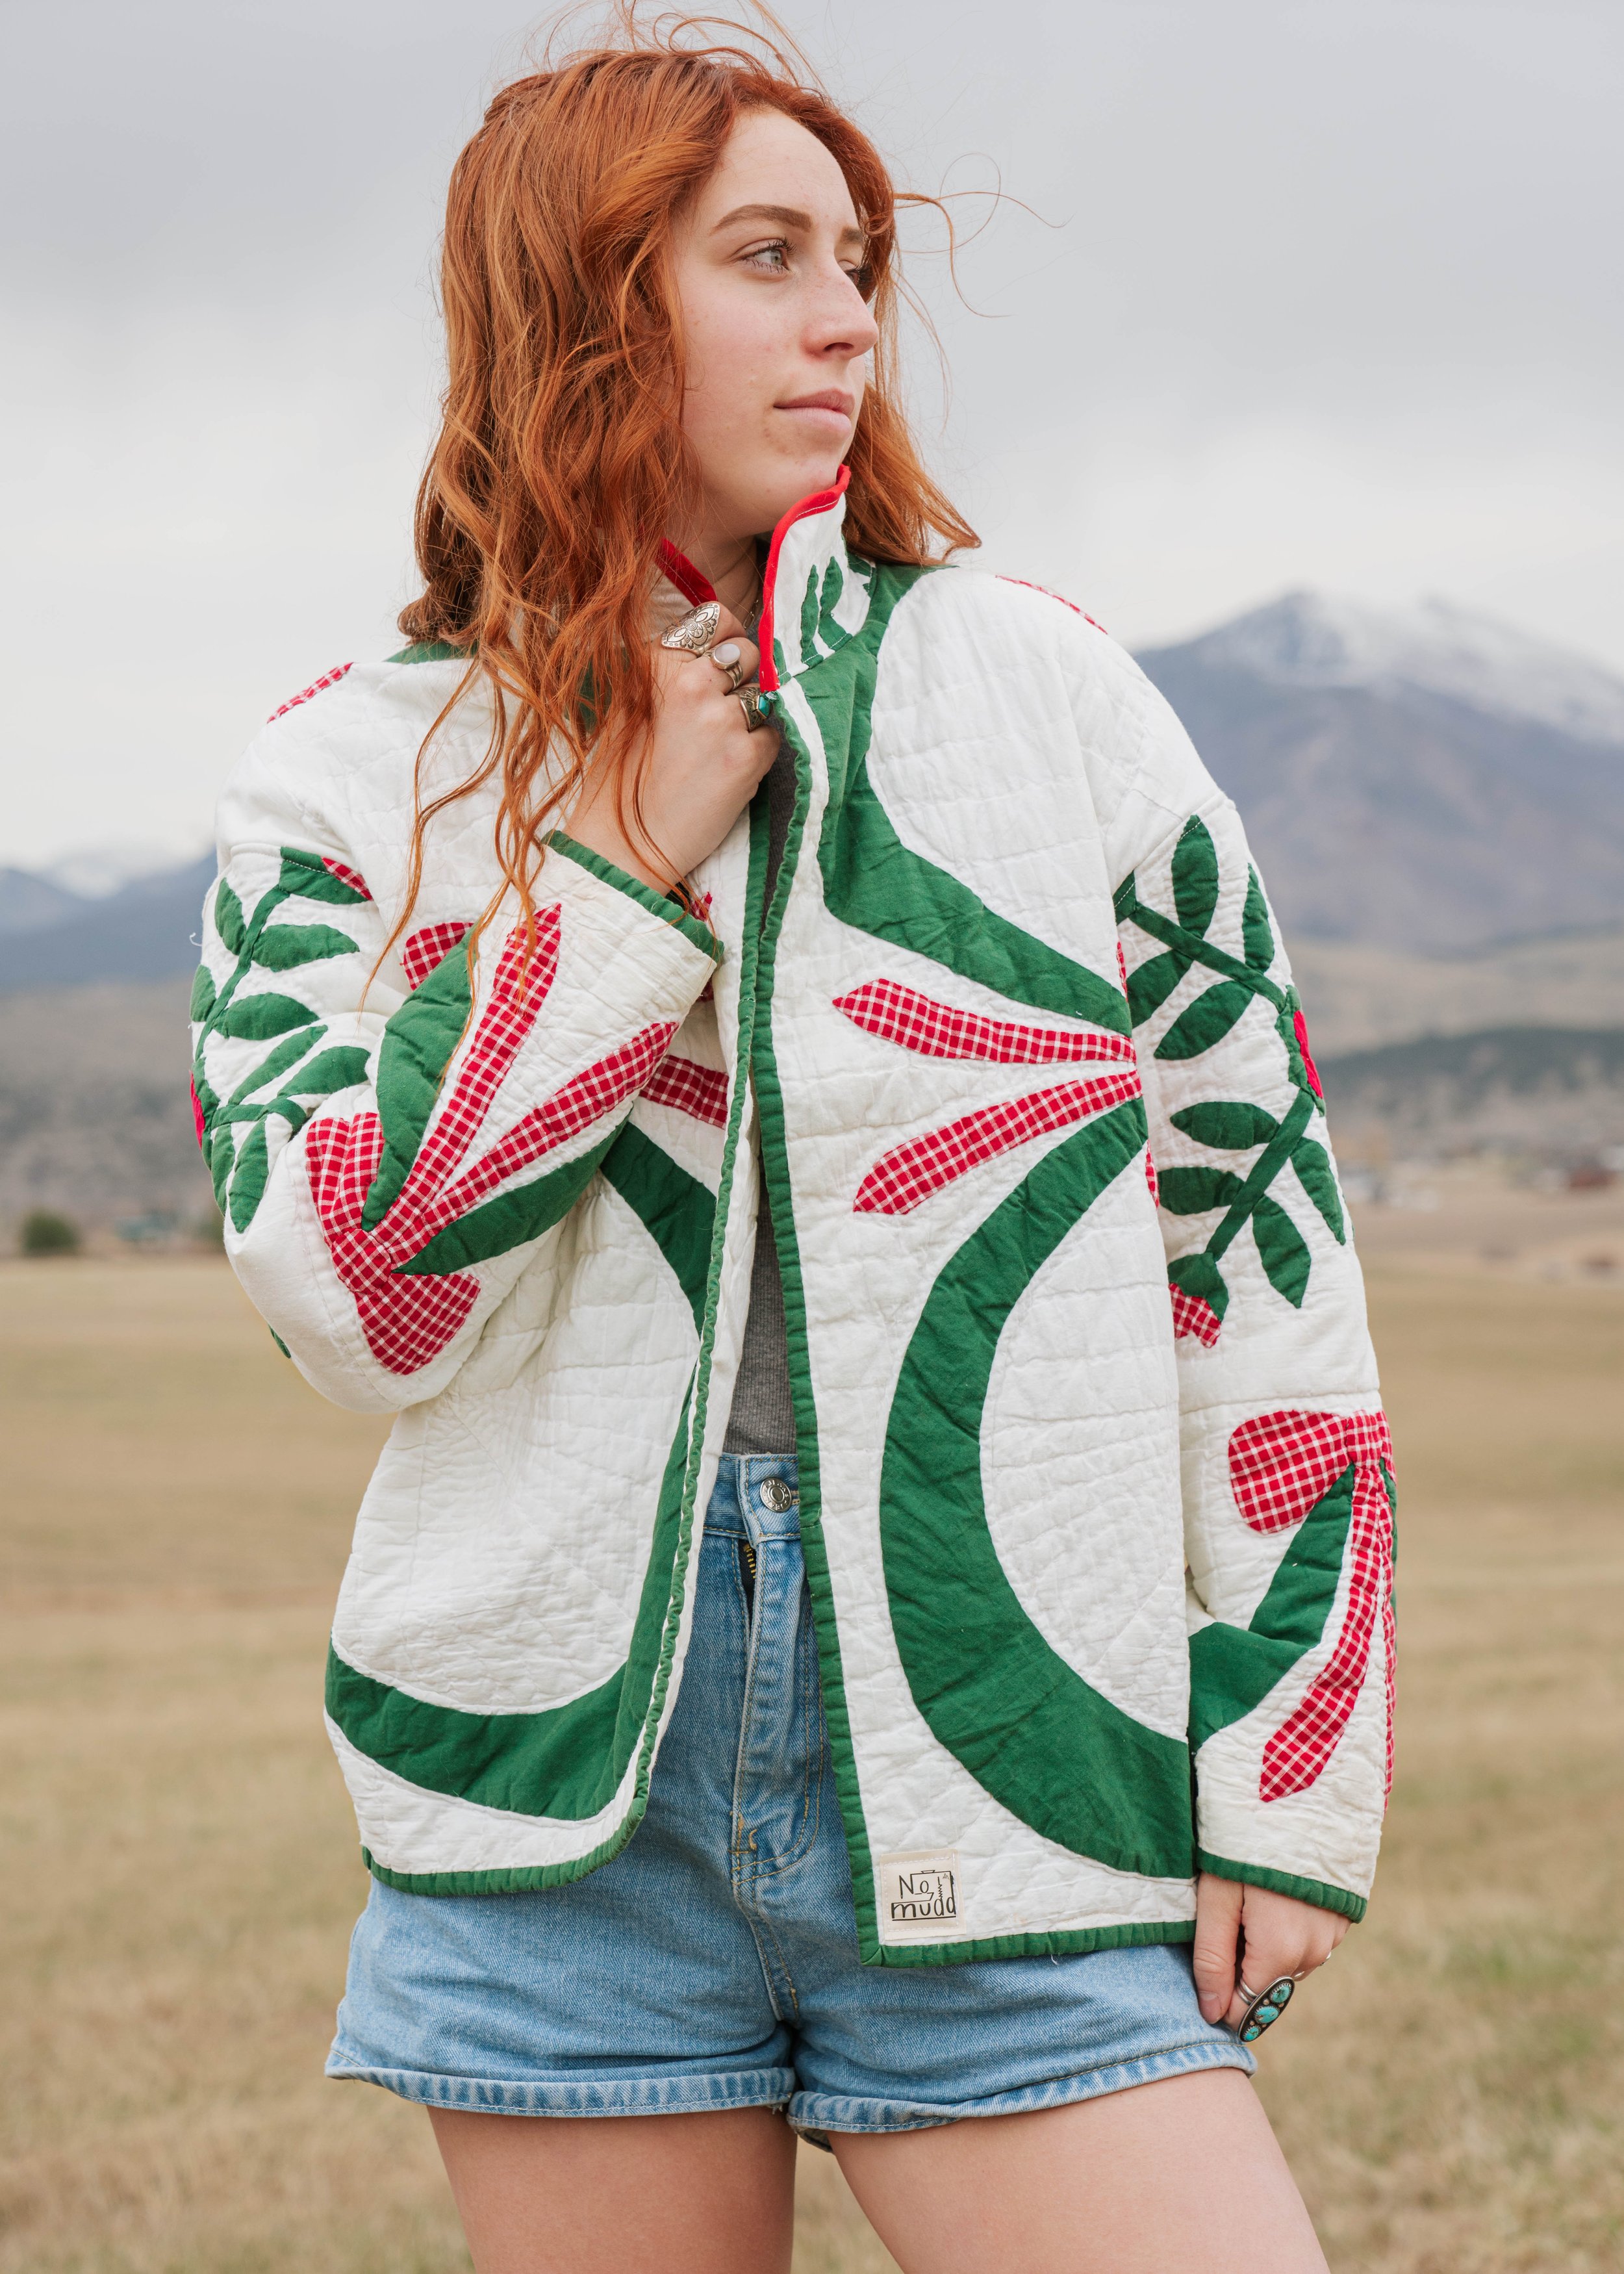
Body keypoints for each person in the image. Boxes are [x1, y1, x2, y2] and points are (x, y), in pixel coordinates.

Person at [191, 16, 1395, 2271]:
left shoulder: (1047, 698)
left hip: (1018, 1739)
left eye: (856, 260)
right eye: (766, 254)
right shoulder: (347, 777)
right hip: (563, 1817)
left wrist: (1289, 1759)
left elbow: (1260, 1232)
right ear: (582, 300)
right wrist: (626, 880)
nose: (847, 314)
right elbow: (356, 1298)